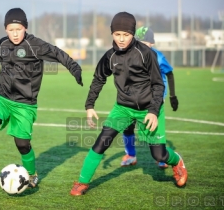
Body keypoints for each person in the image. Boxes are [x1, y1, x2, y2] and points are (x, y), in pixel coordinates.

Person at [0, 8, 83, 187]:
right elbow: (5, 66)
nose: (15, 34)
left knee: (22, 144)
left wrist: (75, 69)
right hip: (2, 98)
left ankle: (32, 174)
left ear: (25, 28)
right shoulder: (3, 44)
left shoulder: (35, 45)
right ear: (5, 29)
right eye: (11, 30)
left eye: (18, 29)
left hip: (24, 104)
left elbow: (58, 53)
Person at [70, 12, 187, 196]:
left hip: (149, 109)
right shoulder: (109, 56)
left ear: (132, 34)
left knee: (159, 155)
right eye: (117, 34)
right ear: (112, 34)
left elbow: (158, 84)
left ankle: (177, 161)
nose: (122, 39)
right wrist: (90, 105)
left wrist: (154, 111)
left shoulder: (146, 53)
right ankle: (82, 182)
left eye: (126, 34)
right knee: (102, 141)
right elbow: (98, 79)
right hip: (122, 108)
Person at [121, 26, 179, 169]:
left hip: (154, 99)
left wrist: (172, 96)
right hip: (135, 98)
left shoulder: (158, 57)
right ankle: (130, 155)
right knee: (128, 127)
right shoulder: (131, 55)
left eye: (144, 43)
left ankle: (162, 157)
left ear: (151, 44)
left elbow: (170, 74)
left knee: (154, 129)